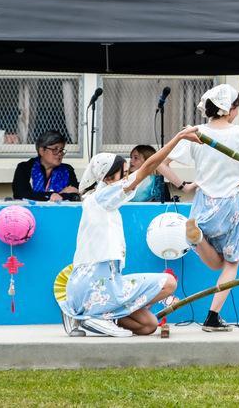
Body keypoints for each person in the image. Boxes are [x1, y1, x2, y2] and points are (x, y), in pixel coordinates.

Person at [59, 126, 201, 337]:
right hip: (95, 288)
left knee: (148, 325)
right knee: (169, 282)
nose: (128, 177)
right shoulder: (103, 196)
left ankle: (92, 317)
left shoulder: (100, 199)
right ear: (107, 177)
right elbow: (149, 165)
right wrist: (178, 138)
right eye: (123, 173)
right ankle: (95, 317)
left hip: (102, 286)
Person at [166, 84, 239, 332]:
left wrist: (184, 185)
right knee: (230, 263)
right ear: (231, 108)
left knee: (215, 263)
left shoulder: (196, 133)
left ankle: (199, 238)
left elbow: (162, 163)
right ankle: (212, 317)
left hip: (203, 203)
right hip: (232, 203)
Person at [12, 130, 80, 202]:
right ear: (41, 151)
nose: (60, 153)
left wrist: (54, 196)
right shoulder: (24, 168)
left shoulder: (67, 170)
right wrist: (53, 195)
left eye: (61, 150)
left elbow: (75, 196)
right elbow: (20, 194)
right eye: (55, 149)